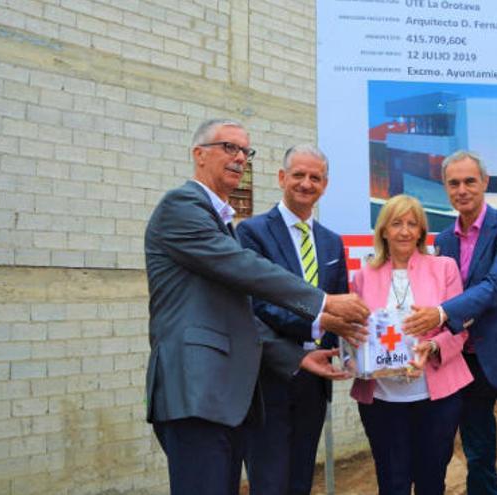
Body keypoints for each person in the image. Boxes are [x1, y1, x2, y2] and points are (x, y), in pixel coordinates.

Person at [144, 118, 369, 495]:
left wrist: (295, 357)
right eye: (227, 147)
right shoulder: (182, 205)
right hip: (196, 391)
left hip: (227, 396)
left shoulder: (223, 222)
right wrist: (323, 301)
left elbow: (241, 310)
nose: (239, 158)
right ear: (198, 154)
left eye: (245, 151)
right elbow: (248, 271)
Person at [405, 151, 497, 494]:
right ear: (445, 188)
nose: (462, 189)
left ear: (484, 183)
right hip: (466, 367)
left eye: (470, 181)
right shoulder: (442, 242)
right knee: (479, 458)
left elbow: (496, 287)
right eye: (453, 183)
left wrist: (441, 313)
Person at [237, 144, 366, 495]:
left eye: (315, 177)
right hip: (270, 376)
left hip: (315, 380)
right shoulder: (251, 233)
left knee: (301, 480)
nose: (306, 184)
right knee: (269, 481)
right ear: (281, 178)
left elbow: (341, 307)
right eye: (299, 175)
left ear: (325, 184)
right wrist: (322, 322)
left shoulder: (331, 243)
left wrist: (358, 348)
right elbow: (257, 302)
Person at [350, 194, 472, 495]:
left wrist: (431, 348)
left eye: (412, 224)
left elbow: (460, 328)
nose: (404, 231)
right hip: (383, 401)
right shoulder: (363, 276)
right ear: (383, 231)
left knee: (432, 482)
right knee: (392, 484)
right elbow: (354, 331)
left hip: (436, 399)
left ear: (421, 231)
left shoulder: (444, 268)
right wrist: (355, 350)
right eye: (396, 223)